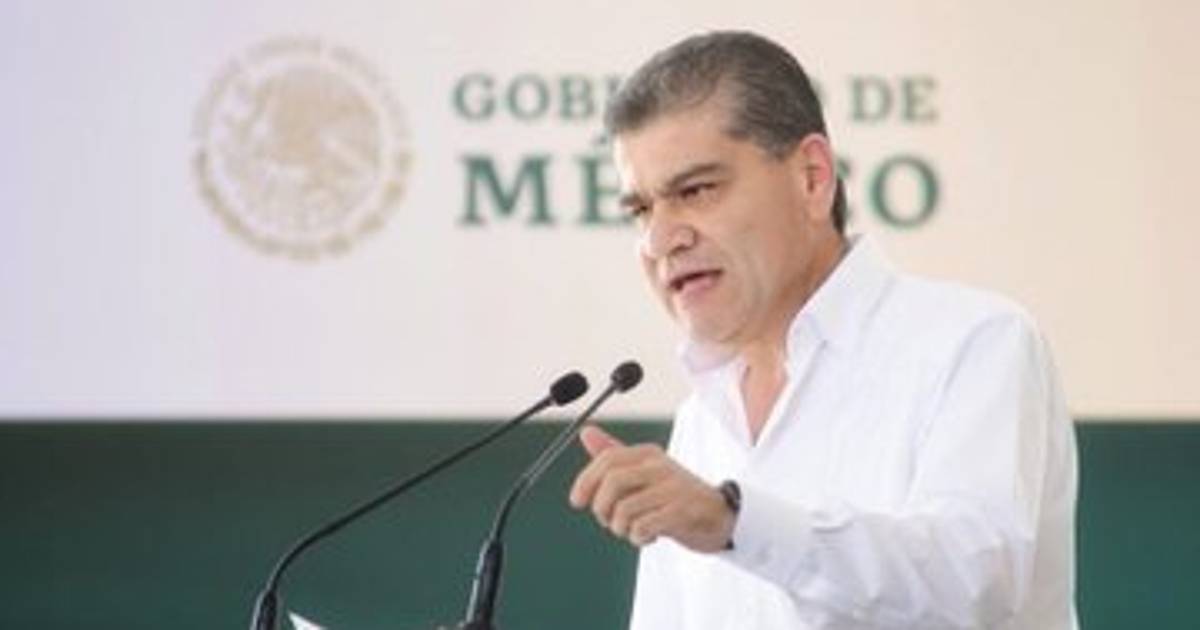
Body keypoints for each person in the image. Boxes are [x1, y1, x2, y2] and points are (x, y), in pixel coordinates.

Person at [568, 31, 1078, 629]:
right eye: (640, 210)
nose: (661, 240)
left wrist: (733, 522)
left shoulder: (975, 344)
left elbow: (972, 587)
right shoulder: (700, 423)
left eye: (696, 190)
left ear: (812, 178)